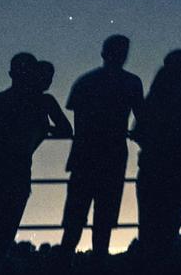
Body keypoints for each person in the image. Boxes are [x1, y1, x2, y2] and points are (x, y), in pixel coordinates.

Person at [0, 54, 72, 260]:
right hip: (16, 174)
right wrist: (44, 129)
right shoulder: (44, 102)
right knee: (1, 242)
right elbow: (66, 130)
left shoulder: (1, 98)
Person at [58, 35, 144, 259]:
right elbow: (142, 118)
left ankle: (63, 264)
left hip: (84, 156)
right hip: (113, 156)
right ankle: (98, 264)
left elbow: (80, 122)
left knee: (75, 219)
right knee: (104, 220)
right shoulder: (132, 83)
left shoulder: (86, 81)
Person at [133, 49, 181, 261]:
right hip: (179, 165)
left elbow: (139, 133)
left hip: (151, 166)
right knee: (170, 226)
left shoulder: (153, 99)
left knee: (148, 225)